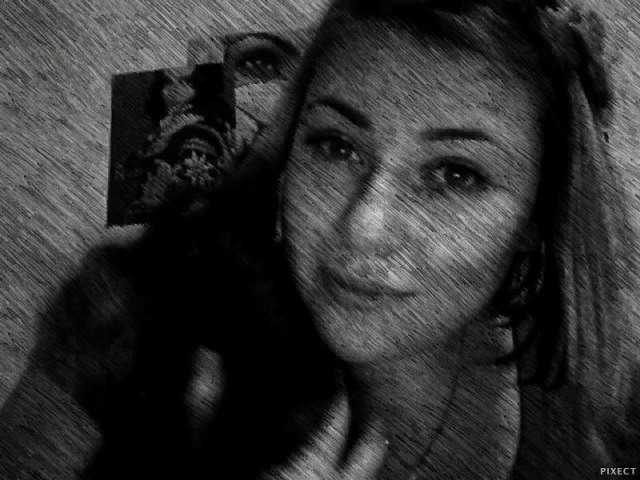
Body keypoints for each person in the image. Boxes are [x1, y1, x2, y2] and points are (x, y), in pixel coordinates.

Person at [1, 0, 639, 478]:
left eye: (455, 174)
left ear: (536, 220)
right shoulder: (126, 319)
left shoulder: (603, 384)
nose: (363, 227)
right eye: (336, 146)